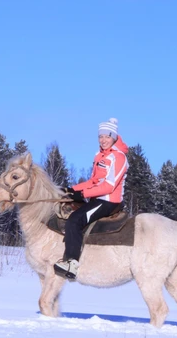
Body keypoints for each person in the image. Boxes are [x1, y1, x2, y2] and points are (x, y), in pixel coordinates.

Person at [54, 117, 129, 279]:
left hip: (109, 201)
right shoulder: (100, 155)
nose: (103, 140)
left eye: (107, 137)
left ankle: (71, 263)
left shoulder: (119, 157)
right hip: (97, 198)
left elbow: (109, 186)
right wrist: (70, 190)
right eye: (100, 137)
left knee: (75, 219)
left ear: (114, 137)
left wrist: (82, 194)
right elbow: (93, 181)